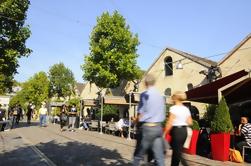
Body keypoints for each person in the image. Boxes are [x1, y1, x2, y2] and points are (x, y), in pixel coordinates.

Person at [133, 74, 166, 166]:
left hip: (148, 128)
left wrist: (135, 121)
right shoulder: (160, 96)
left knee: (138, 155)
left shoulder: (144, 95)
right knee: (159, 157)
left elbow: (141, 113)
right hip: (158, 128)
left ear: (145, 83)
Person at [164, 91, 192, 166]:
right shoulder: (186, 109)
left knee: (176, 154)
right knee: (178, 152)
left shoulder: (173, 108)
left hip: (177, 131)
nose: (172, 99)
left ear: (175, 98)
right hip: (184, 131)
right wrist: (182, 119)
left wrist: (164, 133)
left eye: (173, 97)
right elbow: (190, 122)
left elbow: (169, 122)